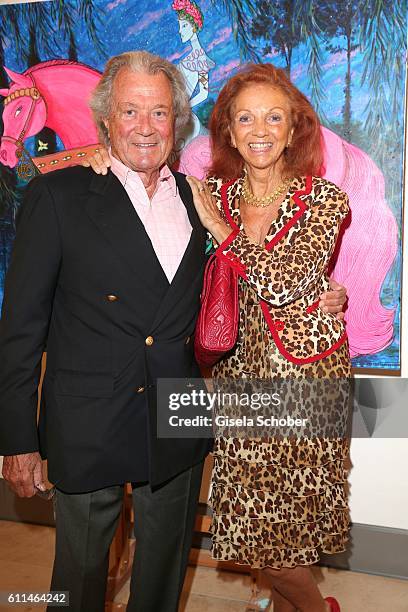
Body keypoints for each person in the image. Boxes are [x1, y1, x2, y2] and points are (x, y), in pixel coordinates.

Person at [0, 50, 211, 612]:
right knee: (77, 580)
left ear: (178, 122)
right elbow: (21, 329)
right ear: (105, 121)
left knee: (162, 578)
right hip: (88, 418)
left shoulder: (200, 201)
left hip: (177, 415)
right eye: (130, 111)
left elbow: (249, 273)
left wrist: (323, 293)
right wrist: (19, 440)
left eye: (160, 113)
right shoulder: (58, 196)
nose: (145, 127)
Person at [185, 64, 351, 612]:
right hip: (241, 378)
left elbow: (281, 283)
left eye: (274, 117)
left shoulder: (322, 199)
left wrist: (225, 235)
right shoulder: (214, 195)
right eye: (246, 117)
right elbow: (139, 189)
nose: (260, 129)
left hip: (308, 375)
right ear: (228, 131)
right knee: (258, 520)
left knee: (289, 524)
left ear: (293, 129)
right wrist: (99, 157)